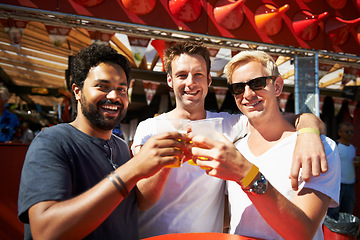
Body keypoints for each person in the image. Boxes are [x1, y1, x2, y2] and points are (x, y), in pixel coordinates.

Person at [131, 42, 328, 238]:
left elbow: (282, 120)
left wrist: (310, 132)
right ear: (170, 80)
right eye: (182, 75)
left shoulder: (228, 124)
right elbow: (140, 199)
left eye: (198, 75)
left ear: (208, 80)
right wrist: (166, 160)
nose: (190, 82)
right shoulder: (149, 128)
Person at [17, 44, 186, 239]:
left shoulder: (121, 146)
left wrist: (166, 160)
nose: (114, 96)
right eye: (102, 86)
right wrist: (134, 168)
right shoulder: (52, 142)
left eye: (121, 89)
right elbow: (45, 232)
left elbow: (139, 204)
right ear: (77, 91)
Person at [190, 50, 340, 239]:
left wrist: (247, 174)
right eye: (238, 87)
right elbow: (231, 217)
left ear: (277, 86)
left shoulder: (318, 147)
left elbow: (303, 233)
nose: (248, 94)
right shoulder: (235, 146)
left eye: (257, 83)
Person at [327, 122, 359, 219]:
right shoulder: (334, 146)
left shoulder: (352, 148)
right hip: (338, 185)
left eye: (352, 131)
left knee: (348, 215)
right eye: (347, 131)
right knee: (333, 215)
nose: (350, 134)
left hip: (350, 185)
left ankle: (345, 235)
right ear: (340, 132)